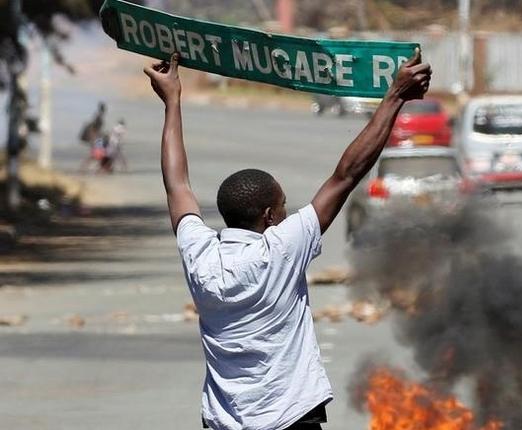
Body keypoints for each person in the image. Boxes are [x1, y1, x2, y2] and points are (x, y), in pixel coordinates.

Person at [144, 51, 431, 430]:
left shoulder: (200, 255)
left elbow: (176, 183)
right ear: (268, 216)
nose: (286, 213)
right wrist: (395, 96)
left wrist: (172, 100)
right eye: (282, 206)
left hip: (223, 422)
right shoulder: (280, 250)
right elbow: (346, 176)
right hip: (290, 420)